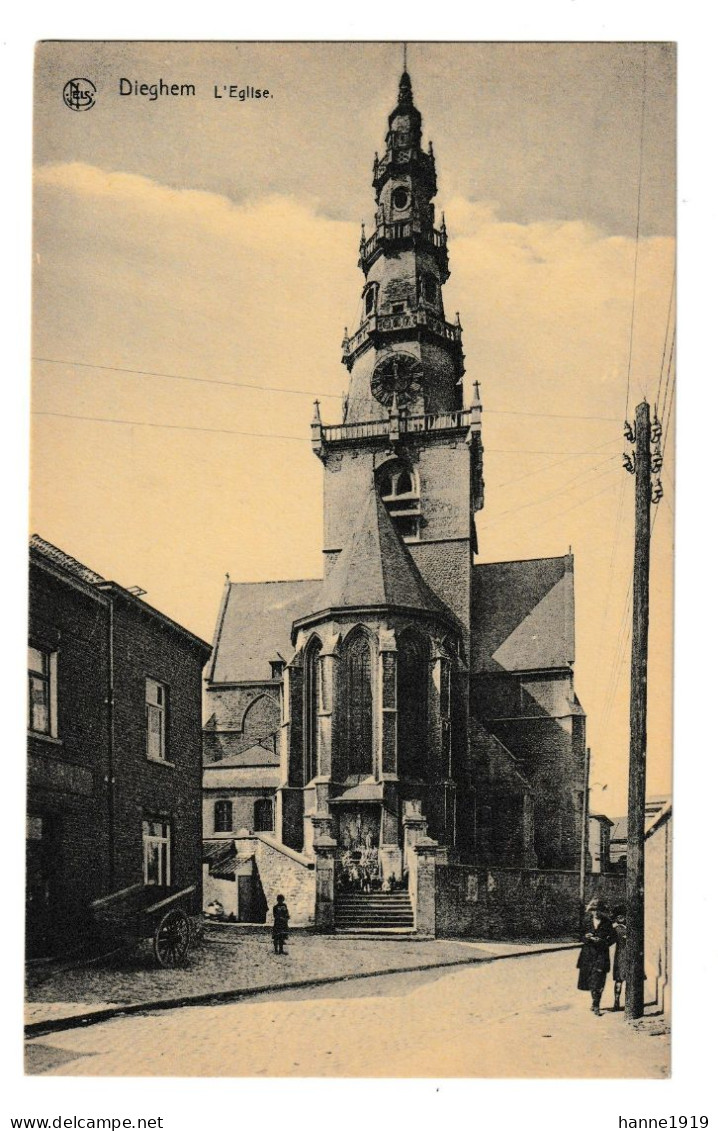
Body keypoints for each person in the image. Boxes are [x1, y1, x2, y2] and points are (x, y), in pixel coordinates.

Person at [576, 898, 617, 1015]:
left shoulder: (607, 922)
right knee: (591, 980)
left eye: (598, 910)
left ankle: (596, 1005)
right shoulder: (586, 921)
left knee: (598, 979)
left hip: (601, 955)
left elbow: (613, 937)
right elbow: (579, 936)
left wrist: (603, 942)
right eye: (594, 910)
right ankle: (594, 1002)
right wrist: (586, 937)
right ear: (591, 911)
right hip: (588, 954)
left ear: (602, 911)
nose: (596, 913)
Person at [612, 905, 627, 1011]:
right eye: (619, 916)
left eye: (622, 916)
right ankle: (617, 1001)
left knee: (621, 979)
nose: (621, 918)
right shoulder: (616, 928)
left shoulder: (616, 928)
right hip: (622, 955)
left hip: (623, 955)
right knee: (620, 979)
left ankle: (619, 1001)